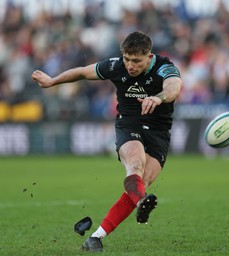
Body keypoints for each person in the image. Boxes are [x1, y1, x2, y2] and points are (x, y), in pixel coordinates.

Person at [31, 31, 182, 253]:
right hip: (129, 125)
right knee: (135, 166)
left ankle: (95, 237)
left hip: (159, 131)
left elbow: (174, 87)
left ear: (149, 57)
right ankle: (141, 203)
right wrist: (53, 80)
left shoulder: (164, 67)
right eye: (127, 59)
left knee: (142, 185)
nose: (130, 65)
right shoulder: (115, 66)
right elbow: (83, 72)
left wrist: (157, 97)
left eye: (136, 61)